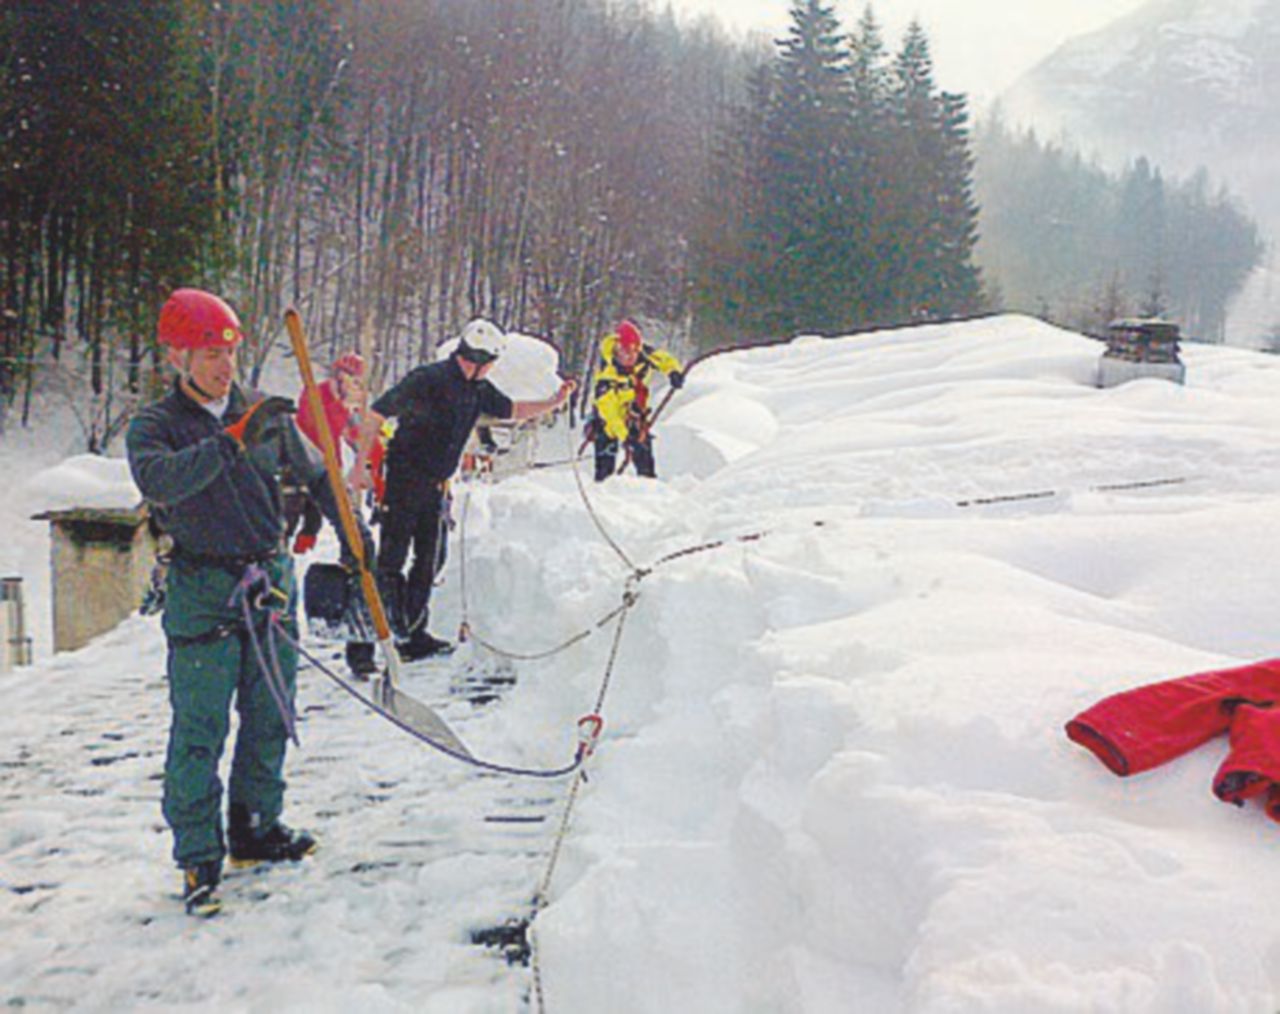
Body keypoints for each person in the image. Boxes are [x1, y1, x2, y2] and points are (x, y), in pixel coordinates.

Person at [126, 288, 359, 917]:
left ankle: (256, 827)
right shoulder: (156, 426)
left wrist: (353, 537)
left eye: (228, 351)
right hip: (204, 589)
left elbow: (319, 475)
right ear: (177, 356)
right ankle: (199, 854)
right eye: (207, 354)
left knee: (270, 714)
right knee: (200, 727)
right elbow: (161, 481)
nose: (222, 366)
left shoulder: (265, 412)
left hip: (271, 577)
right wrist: (231, 440)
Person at [368, 318, 575, 660]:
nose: (480, 368)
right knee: (390, 560)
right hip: (404, 483)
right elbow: (377, 413)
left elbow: (513, 410)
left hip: (436, 487)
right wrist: (362, 465)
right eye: (477, 361)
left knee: (431, 560)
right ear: (469, 356)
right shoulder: (427, 380)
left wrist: (554, 402)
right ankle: (372, 636)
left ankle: (411, 631)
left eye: (486, 363)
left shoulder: (478, 389)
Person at [291, 351, 385, 678]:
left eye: (357, 379)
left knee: (363, 547)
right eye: (348, 377)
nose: (352, 384)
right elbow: (312, 438)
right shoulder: (315, 396)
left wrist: (380, 471)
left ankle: (360, 644)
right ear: (337, 375)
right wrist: (310, 524)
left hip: (330, 478)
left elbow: (364, 441)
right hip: (300, 473)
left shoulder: (349, 408)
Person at [589, 319, 683, 482]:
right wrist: (625, 438)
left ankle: (649, 489)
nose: (630, 356)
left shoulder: (644, 356)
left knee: (645, 460)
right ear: (617, 350)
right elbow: (609, 414)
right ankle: (601, 492)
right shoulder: (606, 378)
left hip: (634, 417)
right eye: (624, 351)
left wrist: (673, 371)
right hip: (608, 424)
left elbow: (663, 359)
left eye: (633, 351)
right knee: (605, 467)